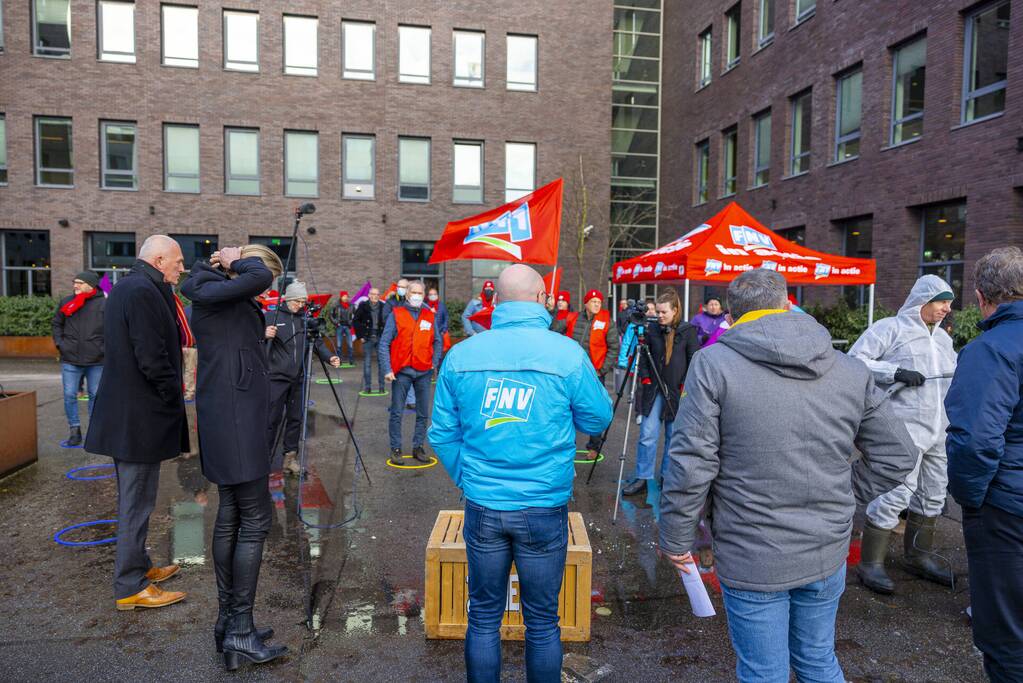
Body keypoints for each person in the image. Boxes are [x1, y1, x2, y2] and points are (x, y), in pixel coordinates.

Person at [658, 269, 916, 682]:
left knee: (764, 671)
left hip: (753, 550)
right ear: (785, 304)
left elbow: (691, 463)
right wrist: (848, 492)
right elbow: (900, 452)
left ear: (732, 315)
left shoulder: (713, 363)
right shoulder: (847, 367)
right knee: (817, 659)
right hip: (823, 544)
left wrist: (675, 534)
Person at [429, 264, 613, 683]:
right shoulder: (565, 353)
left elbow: (441, 433)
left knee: (483, 616)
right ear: (541, 298)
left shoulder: (462, 354)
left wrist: (470, 478)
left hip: (484, 505)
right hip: (543, 505)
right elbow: (598, 416)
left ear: (496, 302)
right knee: (544, 621)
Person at [181, 244, 288, 671]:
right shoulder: (210, 286)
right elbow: (258, 278)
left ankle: (230, 622)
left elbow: (255, 284)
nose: (267, 285)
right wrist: (236, 259)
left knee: (233, 513)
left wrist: (235, 267)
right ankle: (240, 630)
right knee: (254, 519)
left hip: (231, 415)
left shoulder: (214, 291)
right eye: (267, 274)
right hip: (234, 418)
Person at [84, 235, 190, 611]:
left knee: (137, 499)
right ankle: (130, 585)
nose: (181, 268)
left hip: (128, 416)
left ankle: (141, 567)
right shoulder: (143, 291)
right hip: (139, 418)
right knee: (136, 503)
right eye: (177, 262)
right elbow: (152, 355)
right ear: (159, 259)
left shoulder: (132, 286)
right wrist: (173, 397)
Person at [848, 274, 958, 594]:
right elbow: (855, 362)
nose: (947, 308)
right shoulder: (889, 329)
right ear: (922, 300)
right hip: (903, 428)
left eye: (949, 302)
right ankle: (871, 563)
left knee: (934, 491)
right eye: (941, 301)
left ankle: (919, 555)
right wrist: (894, 372)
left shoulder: (942, 340)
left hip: (939, 428)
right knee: (896, 493)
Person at [945, 246, 1023, 681]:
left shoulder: (990, 349)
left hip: (1006, 509)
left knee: (1007, 638)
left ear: (980, 297)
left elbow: (974, 440)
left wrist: (971, 500)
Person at [622, 289, 699, 496]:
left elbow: (694, 361)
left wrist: (685, 386)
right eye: (657, 311)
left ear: (675, 310)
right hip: (654, 389)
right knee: (648, 435)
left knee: (674, 437)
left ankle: (668, 476)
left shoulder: (688, 331)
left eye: (664, 312)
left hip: (677, 392)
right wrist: (646, 378)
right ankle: (642, 477)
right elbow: (644, 358)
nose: (659, 316)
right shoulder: (652, 329)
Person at [265, 281, 340, 475]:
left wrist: (330, 357)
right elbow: (253, 342)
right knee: (271, 419)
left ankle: (290, 458)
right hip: (276, 377)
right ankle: (263, 459)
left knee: (296, 419)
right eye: (297, 301)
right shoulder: (272, 317)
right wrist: (264, 334)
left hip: (299, 378)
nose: (300, 305)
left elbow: (318, 342)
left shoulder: (305, 319)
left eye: (303, 302)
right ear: (288, 299)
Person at [380, 280, 442, 465]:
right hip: (402, 372)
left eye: (420, 293)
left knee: (423, 412)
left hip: (423, 370)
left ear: (423, 295)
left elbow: (437, 341)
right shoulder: (396, 314)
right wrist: (387, 369)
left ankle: (418, 447)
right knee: (397, 412)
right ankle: (396, 448)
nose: (417, 295)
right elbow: (384, 343)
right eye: (413, 292)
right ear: (407, 294)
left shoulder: (429, 316)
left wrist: (433, 362)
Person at [553, 289, 619, 460]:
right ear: (586, 303)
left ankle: (594, 447)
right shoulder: (572, 318)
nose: (597, 304)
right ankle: (567, 444)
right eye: (593, 301)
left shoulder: (606, 321)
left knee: (595, 410)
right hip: (572, 372)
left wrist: (602, 370)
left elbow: (614, 347)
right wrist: (552, 310)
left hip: (595, 373)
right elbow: (553, 329)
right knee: (566, 409)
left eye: (599, 302)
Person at [52, 270, 105, 447]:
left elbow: (112, 329)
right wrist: (60, 344)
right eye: (74, 282)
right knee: (69, 395)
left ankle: (94, 432)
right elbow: (57, 324)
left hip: (97, 360)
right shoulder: (67, 302)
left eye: (79, 282)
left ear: (90, 285)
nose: (75, 285)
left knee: (95, 395)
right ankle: (74, 430)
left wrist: (104, 348)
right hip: (70, 359)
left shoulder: (104, 304)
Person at [353, 287, 388, 393]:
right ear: (369, 295)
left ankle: (382, 387)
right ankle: (368, 387)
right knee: (367, 363)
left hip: (380, 337)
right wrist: (361, 336)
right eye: (373, 294)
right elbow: (355, 321)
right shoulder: (363, 306)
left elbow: (388, 321)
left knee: (381, 363)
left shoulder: (383, 306)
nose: (375, 296)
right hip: (367, 337)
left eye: (377, 294)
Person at [328, 290, 356, 366]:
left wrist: (351, 322)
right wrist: (336, 323)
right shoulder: (336, 305)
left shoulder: (351, 305)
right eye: (344, 296)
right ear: (341, 297)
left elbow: (356, 316)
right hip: (339, 326)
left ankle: (351, 360)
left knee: (350, 345)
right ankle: (339, 361)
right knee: (339, 345)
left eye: (346, 296)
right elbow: (330, 315)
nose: (345, 298)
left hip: (347, 326)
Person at [178, 295, 197, 402]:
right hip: (193, 346)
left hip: (183, 345)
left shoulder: (185, 311)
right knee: (191, 371)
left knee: (185, 370)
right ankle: (189, 393)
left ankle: (187, 393)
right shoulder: (197, 311)